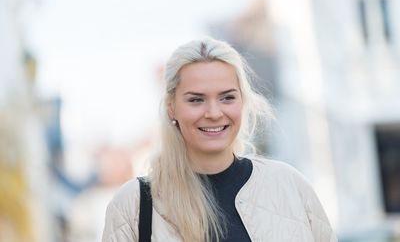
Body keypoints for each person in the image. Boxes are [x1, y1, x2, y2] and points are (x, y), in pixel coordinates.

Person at [102, 37, 337, 242]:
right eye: (196, 100)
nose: (214, 113)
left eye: (227, 98)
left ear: (242, 101)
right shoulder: (133, 205)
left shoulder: (289, 186)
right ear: (172, 108)